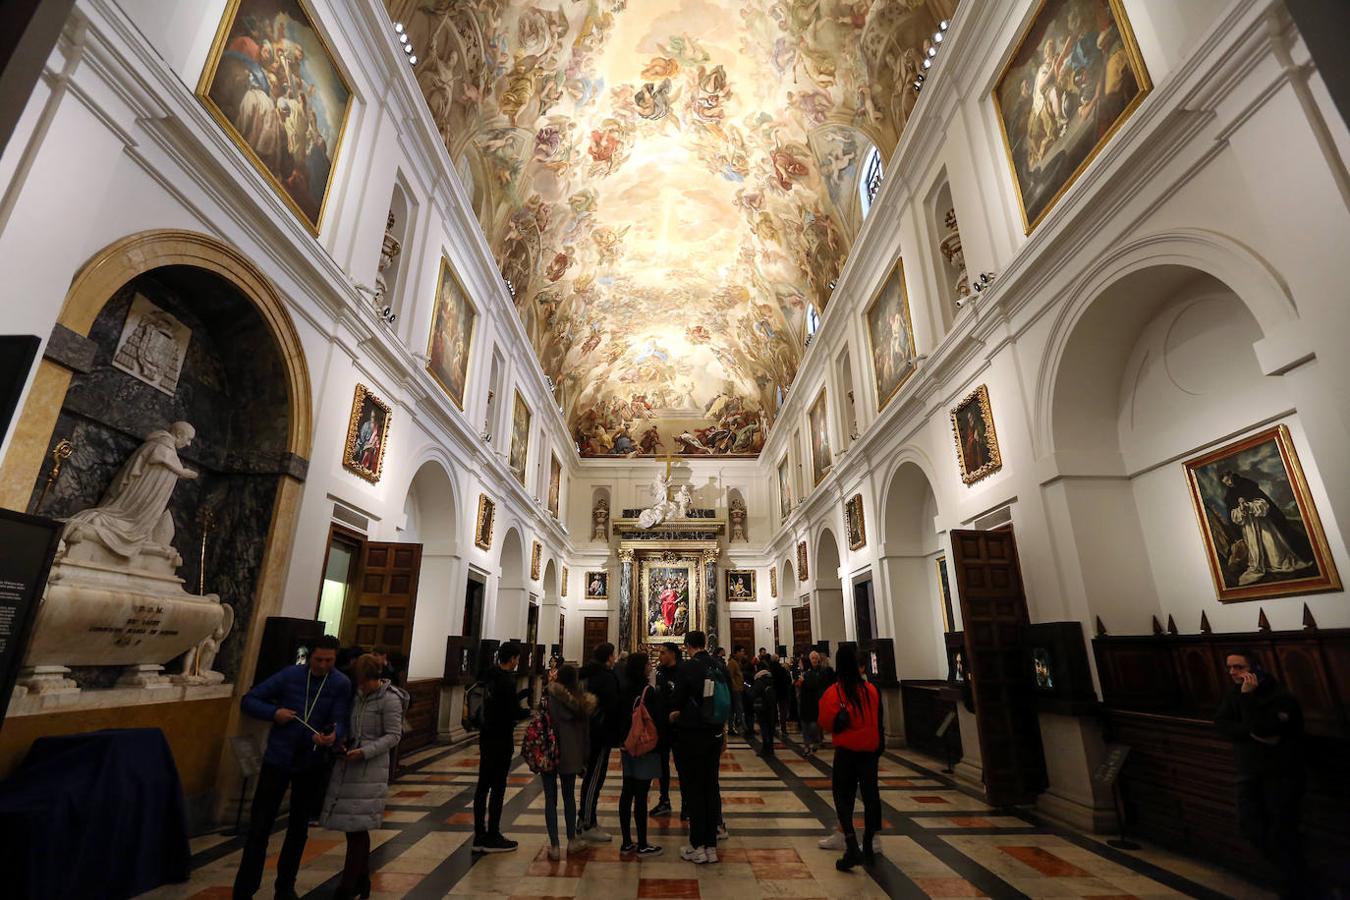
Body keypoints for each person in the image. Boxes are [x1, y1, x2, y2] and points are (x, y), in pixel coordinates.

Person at [233, 635, 351, 900]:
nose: (323, 665)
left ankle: (285, 888)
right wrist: (274, 713)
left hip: (311, 762)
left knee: (298, 830)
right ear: (310, 657)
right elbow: (249, 700)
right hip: (278, 758)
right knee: (259, 827)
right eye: (318, 660)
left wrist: (333, 735)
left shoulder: (340, 683)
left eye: (329, 661)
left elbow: (341, 719)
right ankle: (244, 889)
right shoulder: (290, 675)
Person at [1215, 650, 1306, 897]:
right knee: (1250, 826)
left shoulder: (1280, 697)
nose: (1233, 672)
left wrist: (1248, 704)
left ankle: (1295, 885)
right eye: (1230, 667)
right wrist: (1252, 731)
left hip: (1280, 774)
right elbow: (1222, 725)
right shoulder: (1235, 694)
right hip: (1249, 771)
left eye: (1239, 667)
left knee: (1282, 831)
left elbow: (1267, 731)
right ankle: (1291, 877)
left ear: (1255, 668)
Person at [320, 653, 409, 899]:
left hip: (371, 769)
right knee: (355, 827)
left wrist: (366, 751)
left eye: (364, 680)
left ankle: (346, 888)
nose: (361, 685)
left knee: (358, 826)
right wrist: (341, 743)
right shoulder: (358, 697)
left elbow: (394, 735)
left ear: (375, 677)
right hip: (351, 765)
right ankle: (361, 880)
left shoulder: (390, 700)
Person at [819, 643, 884, 872]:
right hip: (869, 751)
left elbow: (826, 723)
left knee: (842, 797)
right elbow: (878, 721)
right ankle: (869, 843)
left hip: (846, 752)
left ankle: (849, 843)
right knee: (871, 796)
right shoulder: (871, 690)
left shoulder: (836, 691)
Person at [669, 631, 725, 864]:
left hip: (692, 734)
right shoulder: (718, 665)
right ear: (705, 644)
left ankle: (697, 845)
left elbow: (677, 699)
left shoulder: (687, 668)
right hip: (714, 732)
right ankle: (711, 846)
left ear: (687, 646)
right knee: (711, 786)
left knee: (693, 788)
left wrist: (674, 713)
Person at [472, 641, 531, 853]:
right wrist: (528, 712)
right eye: (517, 658)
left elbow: (497, 704)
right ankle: (493, 834)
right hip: (501, 737)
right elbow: (511, 712)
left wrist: (517, 700)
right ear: (513, 658)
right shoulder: (506, 680)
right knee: (498, 787)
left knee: (482, 786)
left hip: (486, 735)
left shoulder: (489, 675)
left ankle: (479, 834)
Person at [542, 664, 595, 860]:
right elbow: (586, 734)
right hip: (571, 753)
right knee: (569, 797)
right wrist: (584, 758)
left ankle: (554, 846)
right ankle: (572, 840)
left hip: (549, 750)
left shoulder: (549, 698)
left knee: (550, 798)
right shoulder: (582, 703)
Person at [618, 651, 664, 856]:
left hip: (628, 746)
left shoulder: (624, 688)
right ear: (642, 667)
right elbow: (656, 720)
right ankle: (643, 843)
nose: (650, 666)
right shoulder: (648, 691)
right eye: (647, 663)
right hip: (644, 746)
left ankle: (627, 841)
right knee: (641, 794)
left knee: (627, 792)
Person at [578, 642, 621, 841]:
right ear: (609, 657)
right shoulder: (604, 677)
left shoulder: (586, 673)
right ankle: (586, 823)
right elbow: (612, 706)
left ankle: (588, 820)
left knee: (592, 777)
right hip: (600, 734)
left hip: (588, 732)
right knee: (594, 778)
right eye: (613, 655)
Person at [651, 642, 680, 818]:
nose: (660, 655)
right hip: (661, 726)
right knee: (662, 766)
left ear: (672, 654)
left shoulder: (683, 671)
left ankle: (687, 803)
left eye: (663, 652)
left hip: (679, 726)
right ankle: (664, 800)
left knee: (682, 766)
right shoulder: (658, 672)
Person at [799, 650, 835, 756]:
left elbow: (818, 684)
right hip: (805, 701)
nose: (814, 660)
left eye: (815, 658)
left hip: (816, 701)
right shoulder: (805, 671)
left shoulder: (823, 671)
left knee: (814, 726)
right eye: (812, 659)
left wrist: (805, 682)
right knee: (805, 726)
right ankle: (806, 746)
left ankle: (816, 741)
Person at [750, 654, 777, 758]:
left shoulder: (759, 680)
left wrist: (748, 689)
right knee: (770, 728)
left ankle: (766, 749)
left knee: (764, 728)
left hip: (762, 707)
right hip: (771, 706)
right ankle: (771, 748)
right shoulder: (770, 678)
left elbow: (753, 693)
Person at [770, 654, 792, 736]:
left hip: (773, 692)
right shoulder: (782, 669)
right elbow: (788, 680)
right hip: (783, 692)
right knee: (783, 711)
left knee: (773, 710)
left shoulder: (769, 669)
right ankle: (783, 728)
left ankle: (772, 728)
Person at [726, 646, 745, 736]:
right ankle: (739, 727)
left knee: (735, 709)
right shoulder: (732, 663)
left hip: (738, 689)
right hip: (735, 690)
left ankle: (733, 727)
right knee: (738, 709)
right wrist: (735, 687)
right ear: (736, 652)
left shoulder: (737, 662)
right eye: (741, 651)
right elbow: (731, 676)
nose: (743, 654)